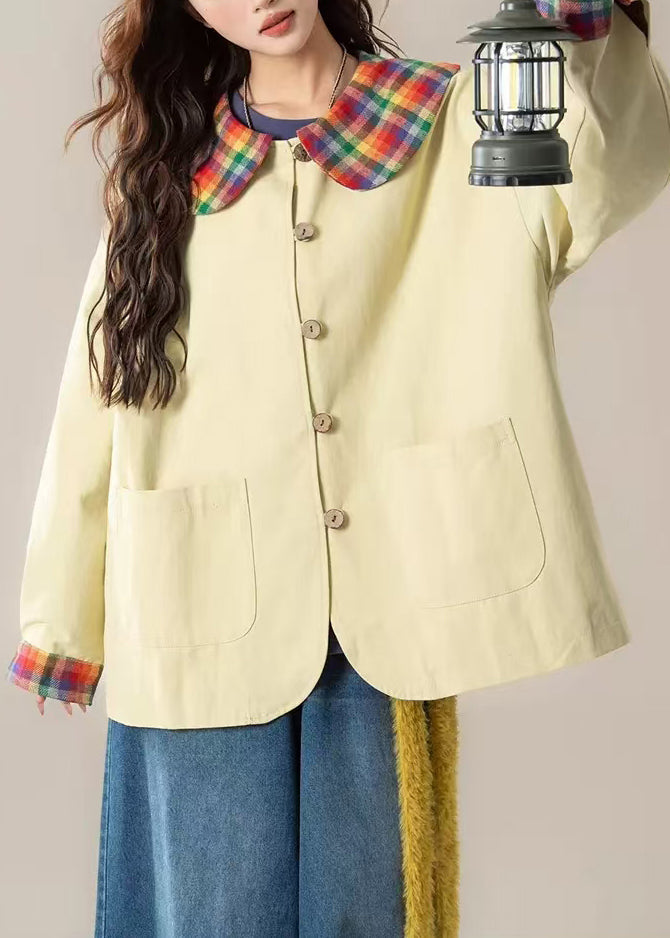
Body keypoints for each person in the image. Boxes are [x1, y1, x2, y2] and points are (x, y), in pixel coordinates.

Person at [5, 0, 668, 935]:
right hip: (195, 604)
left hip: (390, 600)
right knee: (208, 912)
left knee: (372, 911)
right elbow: (96, 400)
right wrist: (61, 618)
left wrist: (583, 23)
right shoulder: (165, 183)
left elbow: (607, 169)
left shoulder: (456, 122)